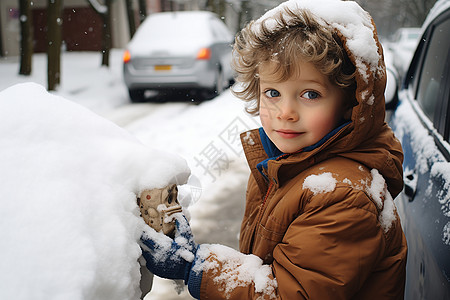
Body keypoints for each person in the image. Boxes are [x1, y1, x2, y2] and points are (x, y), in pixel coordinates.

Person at [140, 0, 407, 299]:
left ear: (350, 102)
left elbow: (289, 294)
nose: (285, 112)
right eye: (273, 92)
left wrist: (196, 268)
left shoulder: (342, 195)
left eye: (310, 94)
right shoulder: (287, 162)